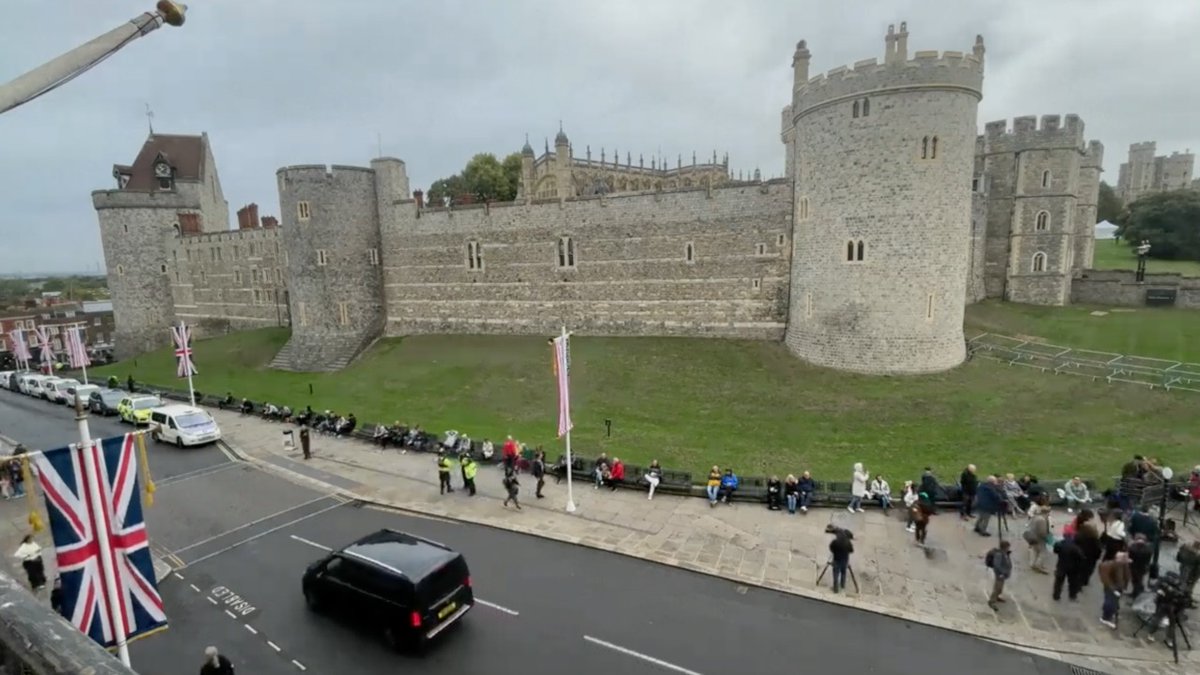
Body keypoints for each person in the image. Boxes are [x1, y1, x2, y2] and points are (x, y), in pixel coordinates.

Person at [1098, 550, 1131, 629]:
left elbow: (1126, 576)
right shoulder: (1108, 565)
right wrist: (1113, 590)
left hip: (1118, 587)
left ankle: (1111, 614)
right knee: (1110, 602)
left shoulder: (1123, 565)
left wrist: (1124, 586)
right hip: (1112, 587)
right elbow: (1106, 579)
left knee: (1115, 602)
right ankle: (1105, 618)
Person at [1052, 536, 1086, 601]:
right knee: (1072, 583)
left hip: (1061, 565)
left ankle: (1056, 596)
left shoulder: (1063, 542)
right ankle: (1072, 596)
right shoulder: (1077, 548)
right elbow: (1081, 558)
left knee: (1059, 581)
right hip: (1072, 568)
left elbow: (1056, 549)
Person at [1023, 503, 1051, 574]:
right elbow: (1042, 532)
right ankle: (1038, 565)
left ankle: (1032, 564)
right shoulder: (1042, 520)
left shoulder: (1035, 517)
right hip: (1039, 539)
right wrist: (1047, 538)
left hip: (1032, 536)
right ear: (1046, 512)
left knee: (1034, 550)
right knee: (1043, 552)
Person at [985, 540, 1012, 611]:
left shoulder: (1004, 553)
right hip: (1000, 574)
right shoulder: (999, 555)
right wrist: (1002, 572)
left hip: (1003, 574)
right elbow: (997, 565)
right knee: (997, 587)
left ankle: (997, 596)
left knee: (1000, 587)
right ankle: (992, 601)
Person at [829, 529, 854, 593]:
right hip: (845, 560)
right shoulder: (848, 542)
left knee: (836, 575)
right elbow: (851, 550)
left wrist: (835, 552)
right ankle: (842, 586)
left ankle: (835, 589)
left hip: (836, 560)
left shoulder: (835, 541)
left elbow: (831, 548)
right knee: (843, 573)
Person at [1128, 533, 1153, 597]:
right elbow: (1149, 558)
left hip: (1134, 566)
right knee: (1140, 579)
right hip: (1143, 567)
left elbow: (1130, 557)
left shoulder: (1132, 547)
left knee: (1135, 580)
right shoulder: (1148, 549)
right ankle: (1138, 592)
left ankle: (1136, 593)